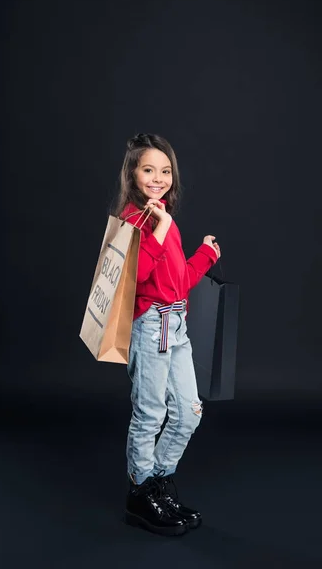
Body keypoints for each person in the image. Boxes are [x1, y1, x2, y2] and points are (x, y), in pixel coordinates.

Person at [115, 133, 221, 537]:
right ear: (133, 175)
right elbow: (137, 278)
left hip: (176, 326)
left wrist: (205, 255)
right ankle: (139, 492)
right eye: (148, 170)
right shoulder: (133, 219)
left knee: (189, 412)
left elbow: (178, 283)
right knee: (150, 414)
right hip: (149, 328)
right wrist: (161, 230)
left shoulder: (163, 219)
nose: (158, 178)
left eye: (165, 171)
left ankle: (157, 483)